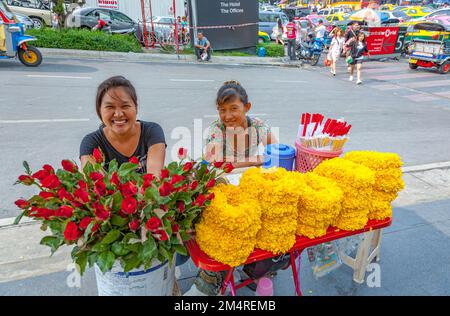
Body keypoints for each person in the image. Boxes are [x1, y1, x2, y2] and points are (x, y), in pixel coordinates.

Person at [80, 76, 166, 176]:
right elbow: (92, 183)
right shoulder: (91, 143)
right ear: (99, 110)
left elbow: (154, 179)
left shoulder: (151, 132)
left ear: (136, 108)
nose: (118, 114)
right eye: (110, 107)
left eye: (125, 106)